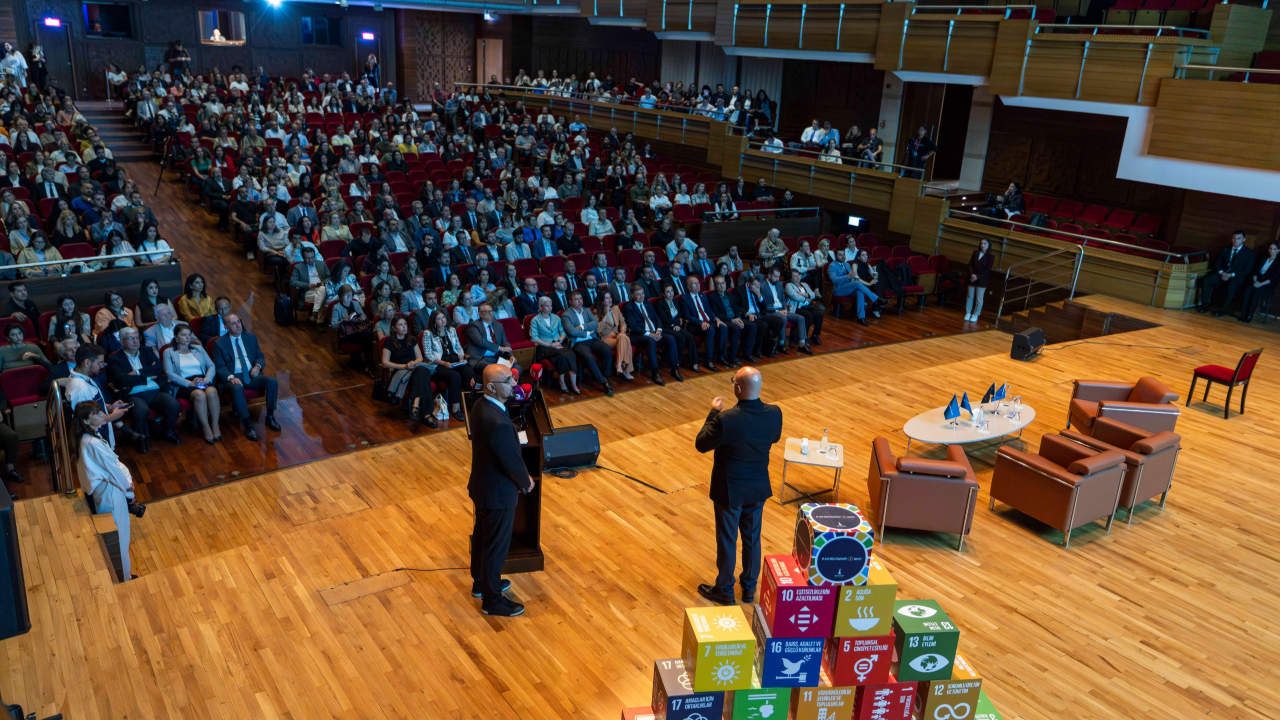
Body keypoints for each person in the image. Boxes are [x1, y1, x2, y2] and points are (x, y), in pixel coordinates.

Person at [694, 367, 783, 605]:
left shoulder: (726, 419)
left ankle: (724, 589)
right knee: (752, 538)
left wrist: (712, 413)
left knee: (727, 539)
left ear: (738, 388)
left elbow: (701, 444)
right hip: (757, 488)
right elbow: (773, 438)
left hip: (730, 490)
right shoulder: (775, 413)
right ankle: (749, 589)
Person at [467, 364, 535, 617]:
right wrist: (526, 481)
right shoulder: (498, 422)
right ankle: (492, 599)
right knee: (495, 547)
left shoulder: (482, 406)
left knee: (483, 540)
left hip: (483, 487)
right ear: (492, 387)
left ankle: (480, 584)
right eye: (508, 380)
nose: (515, 384)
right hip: (497, 494)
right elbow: (510, 460)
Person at [75, 401, 146, 581]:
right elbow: (113, 469)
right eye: (97, 414)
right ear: (86, 420)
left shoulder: (88, 438)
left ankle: (123, 574)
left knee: (118, 538)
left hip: (105, 491)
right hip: (110, 493)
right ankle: (123, 578)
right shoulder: (92, 443)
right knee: (120, 539)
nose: (102, 416)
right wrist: (129, 493)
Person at [211, 314, 280, 441]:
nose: (238, 325)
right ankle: (248, 424)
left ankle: (270, 417)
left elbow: (260, 356)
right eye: (233, 323)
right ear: (226, 327)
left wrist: (258, 367)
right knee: (237, 388)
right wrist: (231, 377)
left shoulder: (250, 337)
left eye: (239, 322)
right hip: (233, 377)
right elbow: (219, 366)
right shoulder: (219, 343)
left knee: (272, 382)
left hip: (251, 374)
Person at [109, 327, 182, 445]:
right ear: (122, 342)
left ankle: (168, 432)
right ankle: (140, 439)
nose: (135, 341)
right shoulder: (115, 358)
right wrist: (147, 375)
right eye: (131, 338)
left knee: (173, 405)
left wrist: (137, 373)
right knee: (141, 411)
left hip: (155, 391)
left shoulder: (147, 351)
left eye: (137, 338)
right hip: (134, 394)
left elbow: (158, 368)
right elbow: (121, 380)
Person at [163, 325, 221, 443]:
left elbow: (211, 366)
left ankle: (215, 425)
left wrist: (207, 379)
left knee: (212, 391)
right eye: (183, 335)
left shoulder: (198, 348)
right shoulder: (168, 352)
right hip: (184, 383)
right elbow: (169, 373)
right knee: (199, 395)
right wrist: (190, 383)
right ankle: (205, 428)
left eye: (189, 334)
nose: (187, 337)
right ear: (176, 337)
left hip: (202, 379)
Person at [382, 316, 438, 427]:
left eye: (405, 324)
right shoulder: (389, 341)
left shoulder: (411, 339)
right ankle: (426, 415)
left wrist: (413, 363)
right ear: (394, 328)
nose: (404, 327)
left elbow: (419, 358)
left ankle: (416, 404)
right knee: (424, 374)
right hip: (400, 372)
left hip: (414, 369)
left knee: (422, 370)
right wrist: (404, 366)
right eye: (400, 325)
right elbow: (385, 362)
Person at [422, 308, 474, 421]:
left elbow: (458, 347)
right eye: (439, 319)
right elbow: (428, 355)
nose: (442, 320)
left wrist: (461, 357)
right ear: (433, 321)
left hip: (455, 361)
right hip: (438, 365)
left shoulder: (451, 330)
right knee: (455, 376)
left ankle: (469, 400)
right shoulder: (428, 334)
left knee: (469, 371)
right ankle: (456, 408)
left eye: (443, 317)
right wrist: (443, 363)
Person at [561, 291, 614, 396]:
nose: (579, 301)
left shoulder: (587, 310)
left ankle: (606, 376)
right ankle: (603, 382)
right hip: (579, 343)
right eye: (576, 299)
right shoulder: (566, 315)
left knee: (607, 350)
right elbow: (571, 331)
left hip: (592, 339)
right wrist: (587, 333)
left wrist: (582, 327)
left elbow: (595, 324)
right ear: (570, 302)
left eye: (580, 298)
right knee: (589, 357)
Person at [528, 296, 580, 394]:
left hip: (558, 343)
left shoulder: (556, 317)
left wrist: (558, 342)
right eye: (547, 306)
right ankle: (562, 382)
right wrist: (550, 345)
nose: (549, 308)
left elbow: (563, 332)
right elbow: (534, 338)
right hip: (544, 347)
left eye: (550, 306)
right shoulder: (535, 320)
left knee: (570, 355)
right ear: (541, 306)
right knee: (563, 354)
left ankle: (573, 384)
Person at [1199, 230, 1255, 317]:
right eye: (1234, 238)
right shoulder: (1225, 249)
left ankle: (1223, 309)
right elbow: (1217, 262)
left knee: (1232, 286)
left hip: (1236, 276)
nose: (1235, 241)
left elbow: (1247, 270)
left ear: (1244, 239)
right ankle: (1205, 304)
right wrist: (1222, 273)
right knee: (1207, 280)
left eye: (1238, 239)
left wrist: (1231, 275)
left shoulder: (1249, 253)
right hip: (1222, 273)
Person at [679, 276, 723, 372]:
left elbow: (708, 311)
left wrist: (716, 319)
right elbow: (687, 316)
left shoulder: (703, 296)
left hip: (707, 321)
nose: (698, 285)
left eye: (698, 283)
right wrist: (700, 322)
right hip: (695, 325)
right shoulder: (684, 299)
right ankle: (708, 360)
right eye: (694, 283)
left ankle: (721, 357)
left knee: (722, 327)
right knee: (710, 330)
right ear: (689, 287)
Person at [829, 248, 878, 326]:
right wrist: (847, 277)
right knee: (856, 283)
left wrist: (851, 278)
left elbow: (852, 277)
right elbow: (833, 280)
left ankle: (861, 318)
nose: (843, 256)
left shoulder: (847, 264)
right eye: (840, 255)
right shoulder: (832, 266)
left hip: (848, 287)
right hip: (839, 289)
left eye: (843, 254)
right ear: (835, 256)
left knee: (860, 292)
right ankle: (876, 299)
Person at [465, 302, 516, 374]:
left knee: (517, 369)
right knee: (496, 372)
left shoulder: (498, 325)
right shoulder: (473, 325)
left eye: (491, 311)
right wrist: (499, 348)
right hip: (481, 358)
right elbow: (480, 341)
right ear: (480, 314)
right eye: (487, 312)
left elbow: (505, 342)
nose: (491, 314)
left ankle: (513, 385)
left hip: (498, 357)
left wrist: (511, 355)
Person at [594, 289, 634, 381]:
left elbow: (623, 322)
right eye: (607, 298)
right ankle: (626, 371)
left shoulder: (615, 308)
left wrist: (622, 330)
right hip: (605, 338)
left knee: (623, 337)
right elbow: (598, 330)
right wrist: (605, 317)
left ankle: (619, 365)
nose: (610, 299)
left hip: (617, 335)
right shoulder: (597, 312)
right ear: (602, 301)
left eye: (610, 297)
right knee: (625, 340)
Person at [1239, 241, 1280, 323]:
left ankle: (1250, 315)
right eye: (1270, 249)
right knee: (1248, 291)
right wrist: (1255, 281)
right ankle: (1244, 314)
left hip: (1267, 284)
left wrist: (1261, 284)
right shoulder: (1263, 257)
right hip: (1257, 280)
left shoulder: (1278, 263)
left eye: (1274, 249)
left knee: (1256, 293)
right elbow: (1255, 271)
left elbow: (1274, 279)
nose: (1271, 251)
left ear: (1278, 250)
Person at [290, 246, 329, 326]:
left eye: (312, 257)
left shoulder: (321, 264)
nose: (310, 260)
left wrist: (323, 283)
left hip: (321, 289)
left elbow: (329, 277)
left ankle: (316, 315)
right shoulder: (298, 267)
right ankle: (320, 319)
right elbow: (293, 282)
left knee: (322, 289)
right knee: (326, 298)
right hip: (307, 291)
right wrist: (307, 285)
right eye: (307, 258)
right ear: (303, 257)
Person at [784, 268, 824, 346]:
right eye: (795, 276)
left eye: (798, 274)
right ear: (791, 279)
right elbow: (795, 297)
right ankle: (803, 338)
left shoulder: (804, 284)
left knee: (819, 315)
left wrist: (804, 294)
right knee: (808, 316)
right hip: (795, 308)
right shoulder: (788, 285)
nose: (798, 277)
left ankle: (815, 335)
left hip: (806, 306)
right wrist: (807, 298)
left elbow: (813, 295)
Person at [965, 238, 994, 323]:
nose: (983, 245)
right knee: (970, 296)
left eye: (985, 244)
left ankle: (976, 314)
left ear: (988, 245)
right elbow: (970, 264)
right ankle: (968, 313)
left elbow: (987, 270)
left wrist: (977, 276)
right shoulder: (975, 253)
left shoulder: (990, 256)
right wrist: (972, 275)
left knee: (979, 298)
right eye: (981, 243)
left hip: (981, 279)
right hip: (971, 277)